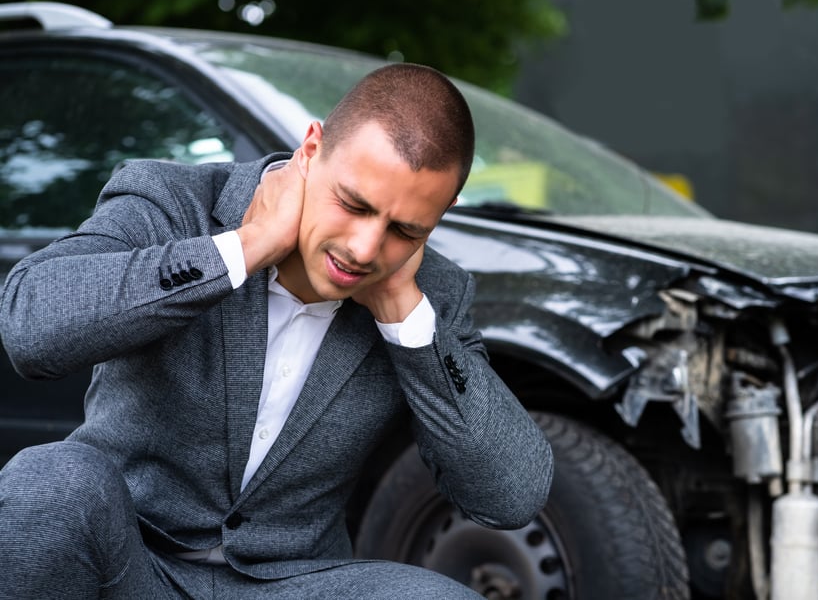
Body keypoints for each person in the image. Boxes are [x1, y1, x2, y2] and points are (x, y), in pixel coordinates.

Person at [0, 63, 554, 598]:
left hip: (290, 582)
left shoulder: (433, 291)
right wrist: (244, 249)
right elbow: (31, 324)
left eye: (404, 229)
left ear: (442, 214)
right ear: (311, 149)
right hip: (130, 564)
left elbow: (511, 494)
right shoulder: (172, 201)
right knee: (51, 482)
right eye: (353, 204)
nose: (363, 249)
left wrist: (401, 309)